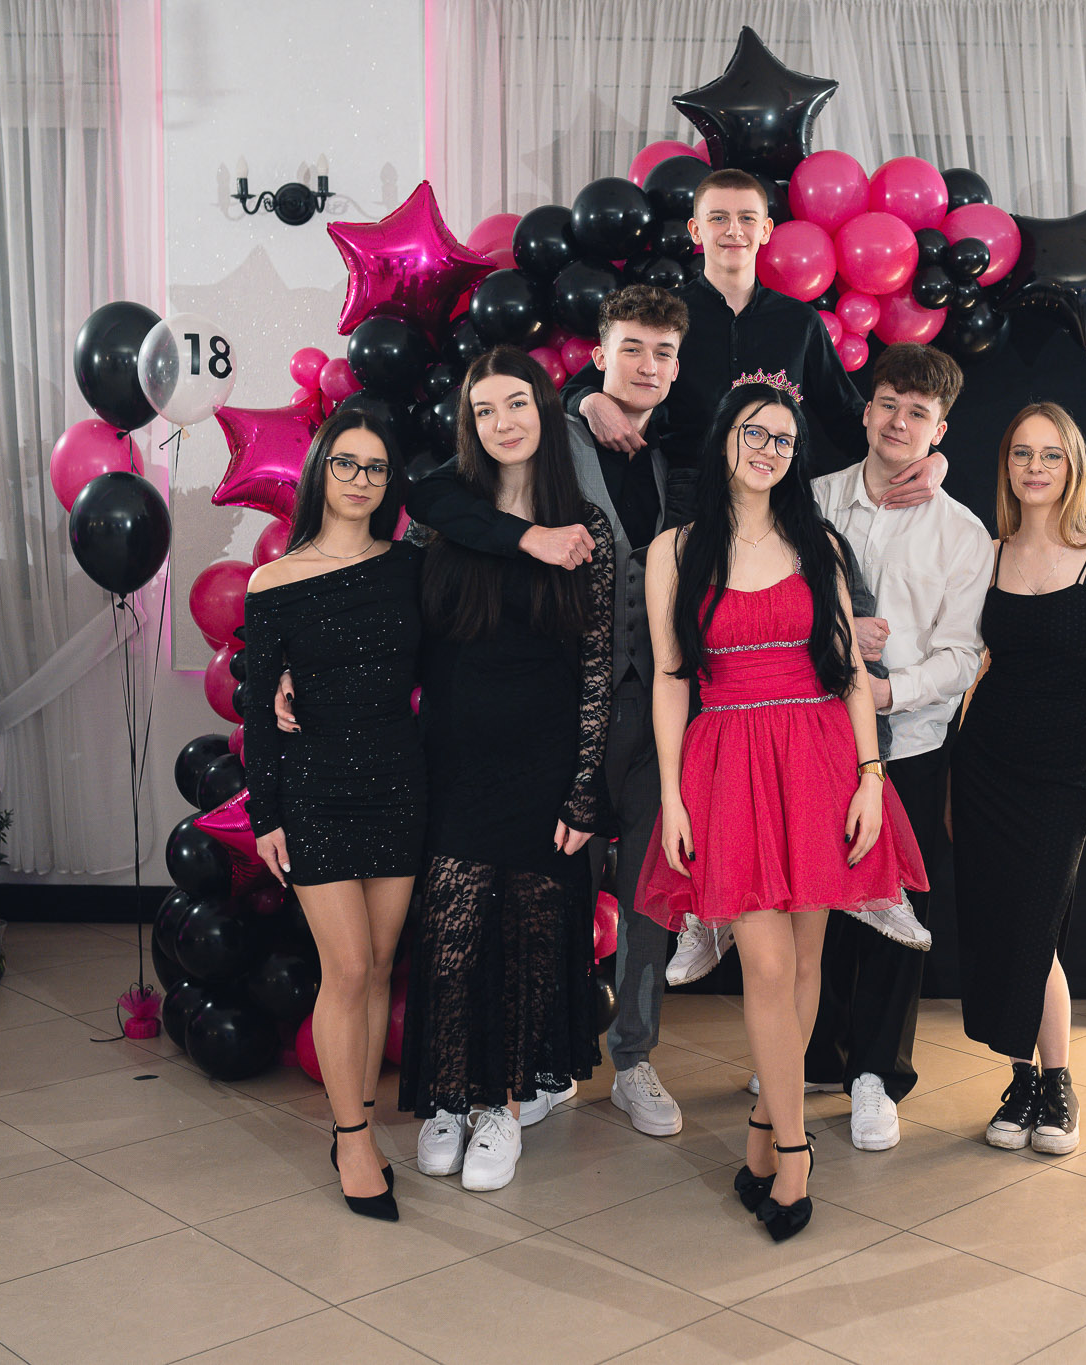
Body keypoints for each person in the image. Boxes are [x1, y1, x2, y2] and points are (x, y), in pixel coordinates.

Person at [635, 377, 927, 1243]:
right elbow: (670, 678)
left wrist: (871, 776)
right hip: (727, 760)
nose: (769, 450)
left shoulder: (818, 541)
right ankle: (795, 1153)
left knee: (804, 962)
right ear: (725, 437)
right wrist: (671, 794)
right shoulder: (674, 550)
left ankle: (766, 1128)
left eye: (784, 440)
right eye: (755, 433)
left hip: (818, 758)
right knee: (763, 965)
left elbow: (847, 669)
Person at [402, 285, 692, 1141]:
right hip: (553, 719)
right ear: (597, 355)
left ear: (679, 366)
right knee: (538, 898)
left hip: (656, 708)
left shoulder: (682, 453)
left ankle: (631, 1058)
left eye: (663, 352)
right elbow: (433, 496)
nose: (647, 366)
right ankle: (531, 1065)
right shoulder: (548, 429)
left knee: (646, 894)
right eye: (631, 347)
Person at [402, 347, 615, 1192]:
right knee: (450, 933)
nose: (502, 422)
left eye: (516, 403)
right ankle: (448, 1095)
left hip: (543, 761)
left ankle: (502, 1106)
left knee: (527, 937)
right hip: (453, 758)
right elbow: (421, 501)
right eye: (484, 410)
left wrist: (585, 788)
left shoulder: (588, 529)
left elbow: (597, 667)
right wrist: (528, 538)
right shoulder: (446, 513)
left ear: (545, 408)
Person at [801, 344, 992, 1152]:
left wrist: (885, 692)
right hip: (811, 736)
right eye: (888, 404)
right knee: (811, 899)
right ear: (867, 410)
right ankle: (814, 1052)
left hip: (907, 744)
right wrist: (833, 630)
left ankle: (877, 1072)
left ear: (939, 429)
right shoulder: (809, 498)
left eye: (919, 413)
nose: (899, 422)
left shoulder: (962, 532)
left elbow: (961, 656)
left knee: (892, 911)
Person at [242, 406, 423, 1223]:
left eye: (375, 467)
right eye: (345, 463)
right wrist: (266, 814)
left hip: (399, 779)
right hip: (314, 785)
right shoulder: (273, 582)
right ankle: (350, 1139)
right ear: (320, 472)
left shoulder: (410, 567)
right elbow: (257, 710)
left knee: (380, 966)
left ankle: (365, 1121)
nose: (360, 479)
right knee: (346, 967)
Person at [950, 403, 1086, 1159]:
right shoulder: (987, 552)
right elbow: (970, 660)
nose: (1035, 467)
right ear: (1006, 465)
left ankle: (1058, 1083)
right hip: (984, 764)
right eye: (1022, 453)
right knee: (1000, 925)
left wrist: (1080, 696)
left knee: (1036, 923)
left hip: (1061, 775)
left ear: (1074, 466)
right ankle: (1023, 1080)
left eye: (1051, 454)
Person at [568, 169, 947, 511]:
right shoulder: (665, 316)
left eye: (747, 218)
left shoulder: (800, 321)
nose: (733, 230)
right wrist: (591, 401)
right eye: (718, 218)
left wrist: (929, 458)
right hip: (687, 494)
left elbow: (847, 417)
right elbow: (573, 389)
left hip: (778, 493)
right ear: (696, 230)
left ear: (765, 230)